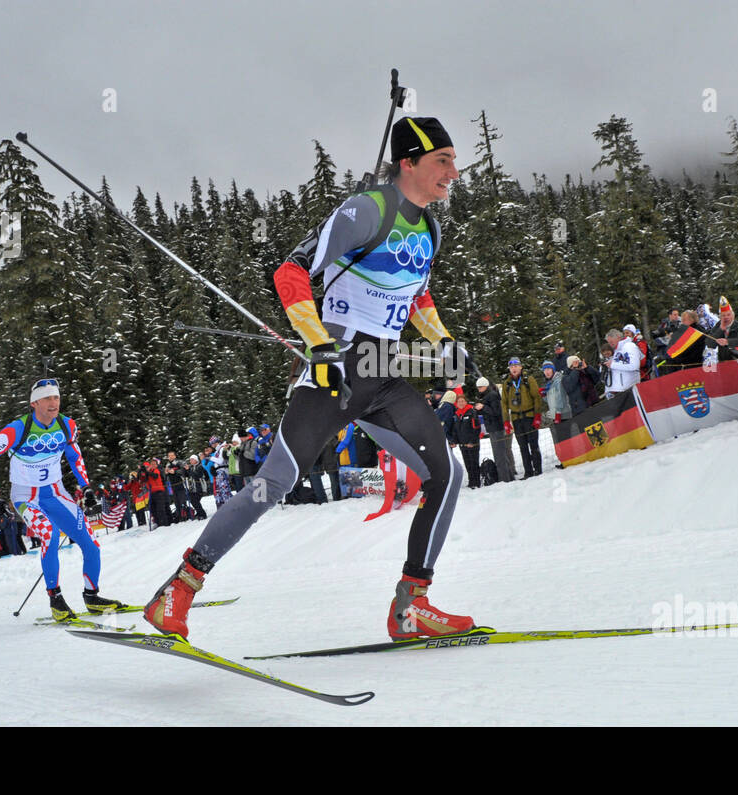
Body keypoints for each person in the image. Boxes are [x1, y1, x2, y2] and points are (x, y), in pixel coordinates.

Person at [144, 116, 474, 641]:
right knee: (273, 483)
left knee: (446, 475)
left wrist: (445, 344)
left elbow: (416, 296)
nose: (454, 172)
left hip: (383, 376)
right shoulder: (368, 210)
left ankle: (412, 605)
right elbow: (291, 271)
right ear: (409, 161)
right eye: (443, 160)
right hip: (337, 369)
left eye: (455, 161)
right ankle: (178, 589)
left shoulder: (430, 227)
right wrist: (318, 343)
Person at [0, 378, 127, 621]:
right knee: (49, 534)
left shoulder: (67, 426)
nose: (53, 402)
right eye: (47, 398)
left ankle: (92, 597)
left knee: (91, 543)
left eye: (56, 397)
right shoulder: (17, 429)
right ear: (34, 403)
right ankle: (56, 599)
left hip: (57, 493)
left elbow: (75, 456)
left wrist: (86, 487)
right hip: (27, 497)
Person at [501, 357, 544, 479]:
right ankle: (528, 471)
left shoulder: (528, 380)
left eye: (516, 366)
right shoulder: (506, 384)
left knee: (533, 444)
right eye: (511, 367)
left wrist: (537, 416)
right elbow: (503, 403)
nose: (514, 369)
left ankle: (538, 469)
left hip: (530, 416)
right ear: (509, 369)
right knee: (522, 446)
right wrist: (506, 421)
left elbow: (537, 397)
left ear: (520, 367)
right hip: (516, 419)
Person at [476, 376, 515, 483]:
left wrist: (483, 407)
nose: (479, 389)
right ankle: (509, 477)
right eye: (478, 387)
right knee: (500, 454)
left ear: (485, 386)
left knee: (500, 455)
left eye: (480, 387)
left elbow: (497, 412)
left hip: (497, 428)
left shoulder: (492, 395)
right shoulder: (487, 395)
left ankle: (505, 479)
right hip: (493, 428)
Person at [453, 390, 483, 489]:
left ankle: (476, 482)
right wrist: (455, 441)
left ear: (466, 402)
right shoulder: (457, 415)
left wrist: (472, 441)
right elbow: (456, 430)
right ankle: (471, 481)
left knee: (474, 463)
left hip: (472, 443)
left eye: (462, 401)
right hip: (463, 444)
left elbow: (477, 428)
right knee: (467, 464)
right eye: (459, 402)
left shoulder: (472, 412)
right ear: (456, 404)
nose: (461, 403)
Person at [603, 328, 643, 395]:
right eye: (609, 342)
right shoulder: (617, 350)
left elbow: (634, 365)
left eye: (611, 341)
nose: (610, 344)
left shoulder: (628, 346)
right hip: (620, 391)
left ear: (618, 337)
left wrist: (612, 365)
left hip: (627, 390)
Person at [540, 360, 570, 424]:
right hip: (556, 416)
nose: (546, 372)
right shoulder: (549, 384)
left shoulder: (558, 380)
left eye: (548, 369)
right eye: (544, 370)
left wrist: (558, 413)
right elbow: (551, 401)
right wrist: (544, 395)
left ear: (553, 370)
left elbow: (561, 398)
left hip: (564, 415)